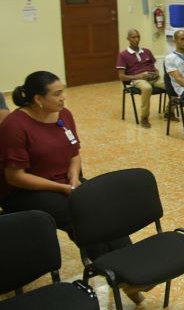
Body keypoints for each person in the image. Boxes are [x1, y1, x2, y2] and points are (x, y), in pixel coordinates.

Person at [0, 71, 144, 302]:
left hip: (66, 182)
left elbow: (74, 153)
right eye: (57, 94)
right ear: (38, 99)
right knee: (79, 214)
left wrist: (74, 178)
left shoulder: (63, 114)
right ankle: (117, 275)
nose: (63, 98)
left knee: (102, 204)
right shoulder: (15, 125)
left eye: (63, 92)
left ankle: (132, 267)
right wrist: (62, 188)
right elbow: (15, 177)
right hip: (26, 192)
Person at [116, 28, 167, 129]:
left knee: (171, 84)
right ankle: (144, 118)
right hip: (137, 79)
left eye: (138, 37)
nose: (136, 39)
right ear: (128, 39)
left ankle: (169, 111)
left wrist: (156, 73)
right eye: (133, 37)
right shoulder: (123, 55)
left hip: (153, 77)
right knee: (147, 88)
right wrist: (138, 76)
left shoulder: (147, 51)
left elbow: (154, 67)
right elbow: (121, 76)